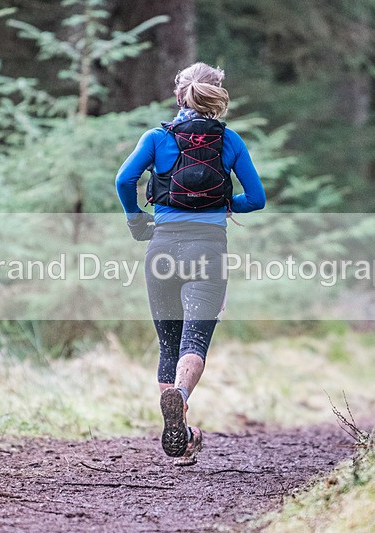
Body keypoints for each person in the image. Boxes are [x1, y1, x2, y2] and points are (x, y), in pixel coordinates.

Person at [115, 62, 266, 466]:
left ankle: (182, 433)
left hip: (161, 249)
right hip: (209, 250)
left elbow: (123, 181)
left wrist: (135, 220)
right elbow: (258, 198)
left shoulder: (155, 138)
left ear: (179, 94)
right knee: (194, 342)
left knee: (168, 343)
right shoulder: (230, 141)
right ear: (217, 95)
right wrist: (226, 203)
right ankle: (179, 398)